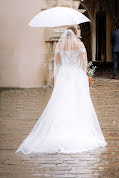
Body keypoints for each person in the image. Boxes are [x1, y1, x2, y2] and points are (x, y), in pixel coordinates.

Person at [16, 26, 107, 154]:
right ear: (75, 34)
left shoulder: (60, 46)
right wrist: (85, 74)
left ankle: (60, 130)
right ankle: (77, 129)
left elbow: (58, 63)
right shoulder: (79, 44)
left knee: (62, 102)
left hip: (64, 76)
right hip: (76, 76)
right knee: (78, 102)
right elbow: (83, 64)